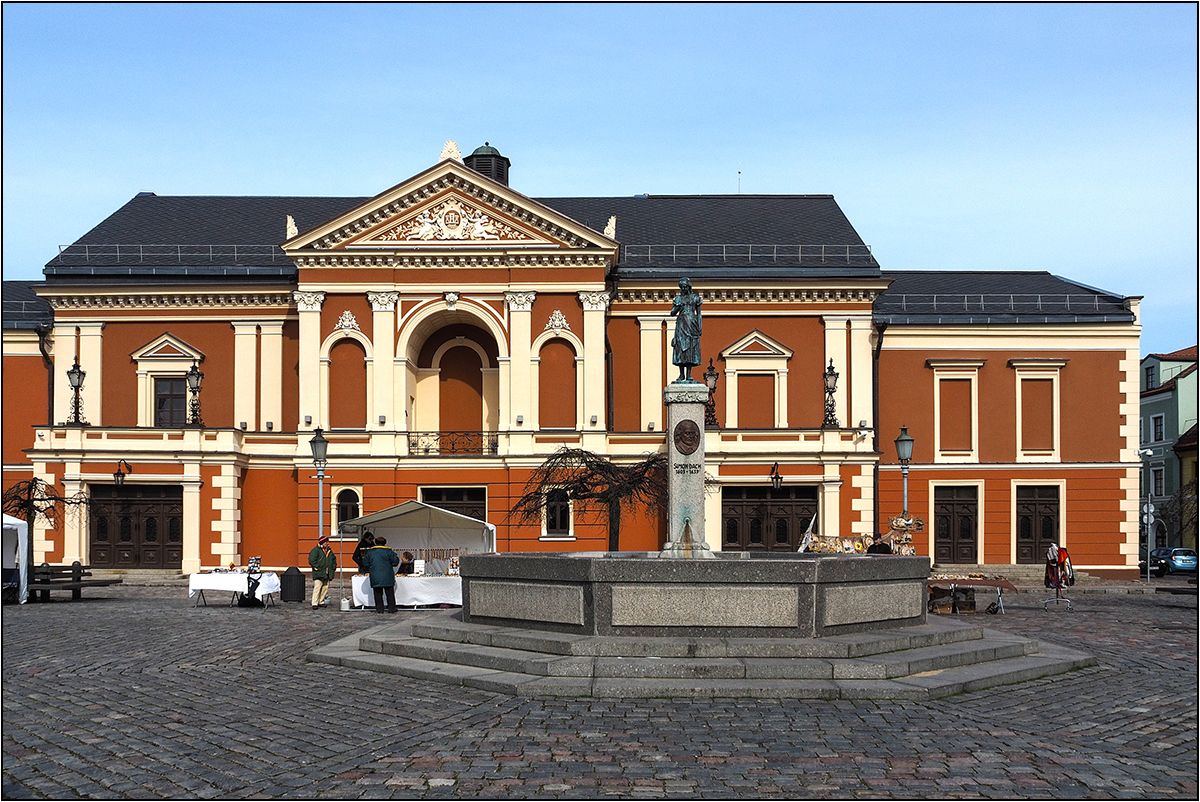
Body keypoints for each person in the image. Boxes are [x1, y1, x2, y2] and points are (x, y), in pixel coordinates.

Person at [669, 277, 702, 381]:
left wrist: (699, 327)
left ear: (689, 286)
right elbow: (672, 313)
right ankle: (681, 374)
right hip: (681, 324)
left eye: (684, 286)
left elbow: (699, 314)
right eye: (681, 287)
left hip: (692, 323)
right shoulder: (678, 299)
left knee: (690, 348)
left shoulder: (695, 298)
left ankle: (689, 375)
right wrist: (677, 307)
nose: (683, 289)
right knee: (680, 348)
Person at [364, 535, 400, 613]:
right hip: (387, 575)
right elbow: (395, 562)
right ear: (384, 543)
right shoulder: (389, 552)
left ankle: (379, 609)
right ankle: (392, 608)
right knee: (389, 593)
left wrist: (371, 568)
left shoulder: (370, 552)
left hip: (375, 575)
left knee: (377, 593)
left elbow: (365, 563)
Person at [307, 533, 337, 609]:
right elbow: (312, 561)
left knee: (325, 587)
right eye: (326, 542)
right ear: (322, 543)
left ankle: (321, 601)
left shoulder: (329, 550)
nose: (328, 543)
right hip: (319, 572)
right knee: (318, 587)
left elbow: (334, 559)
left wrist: (333, 567)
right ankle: (314, 603)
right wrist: (317, 568)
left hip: (327, 572)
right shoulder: (316, 550)